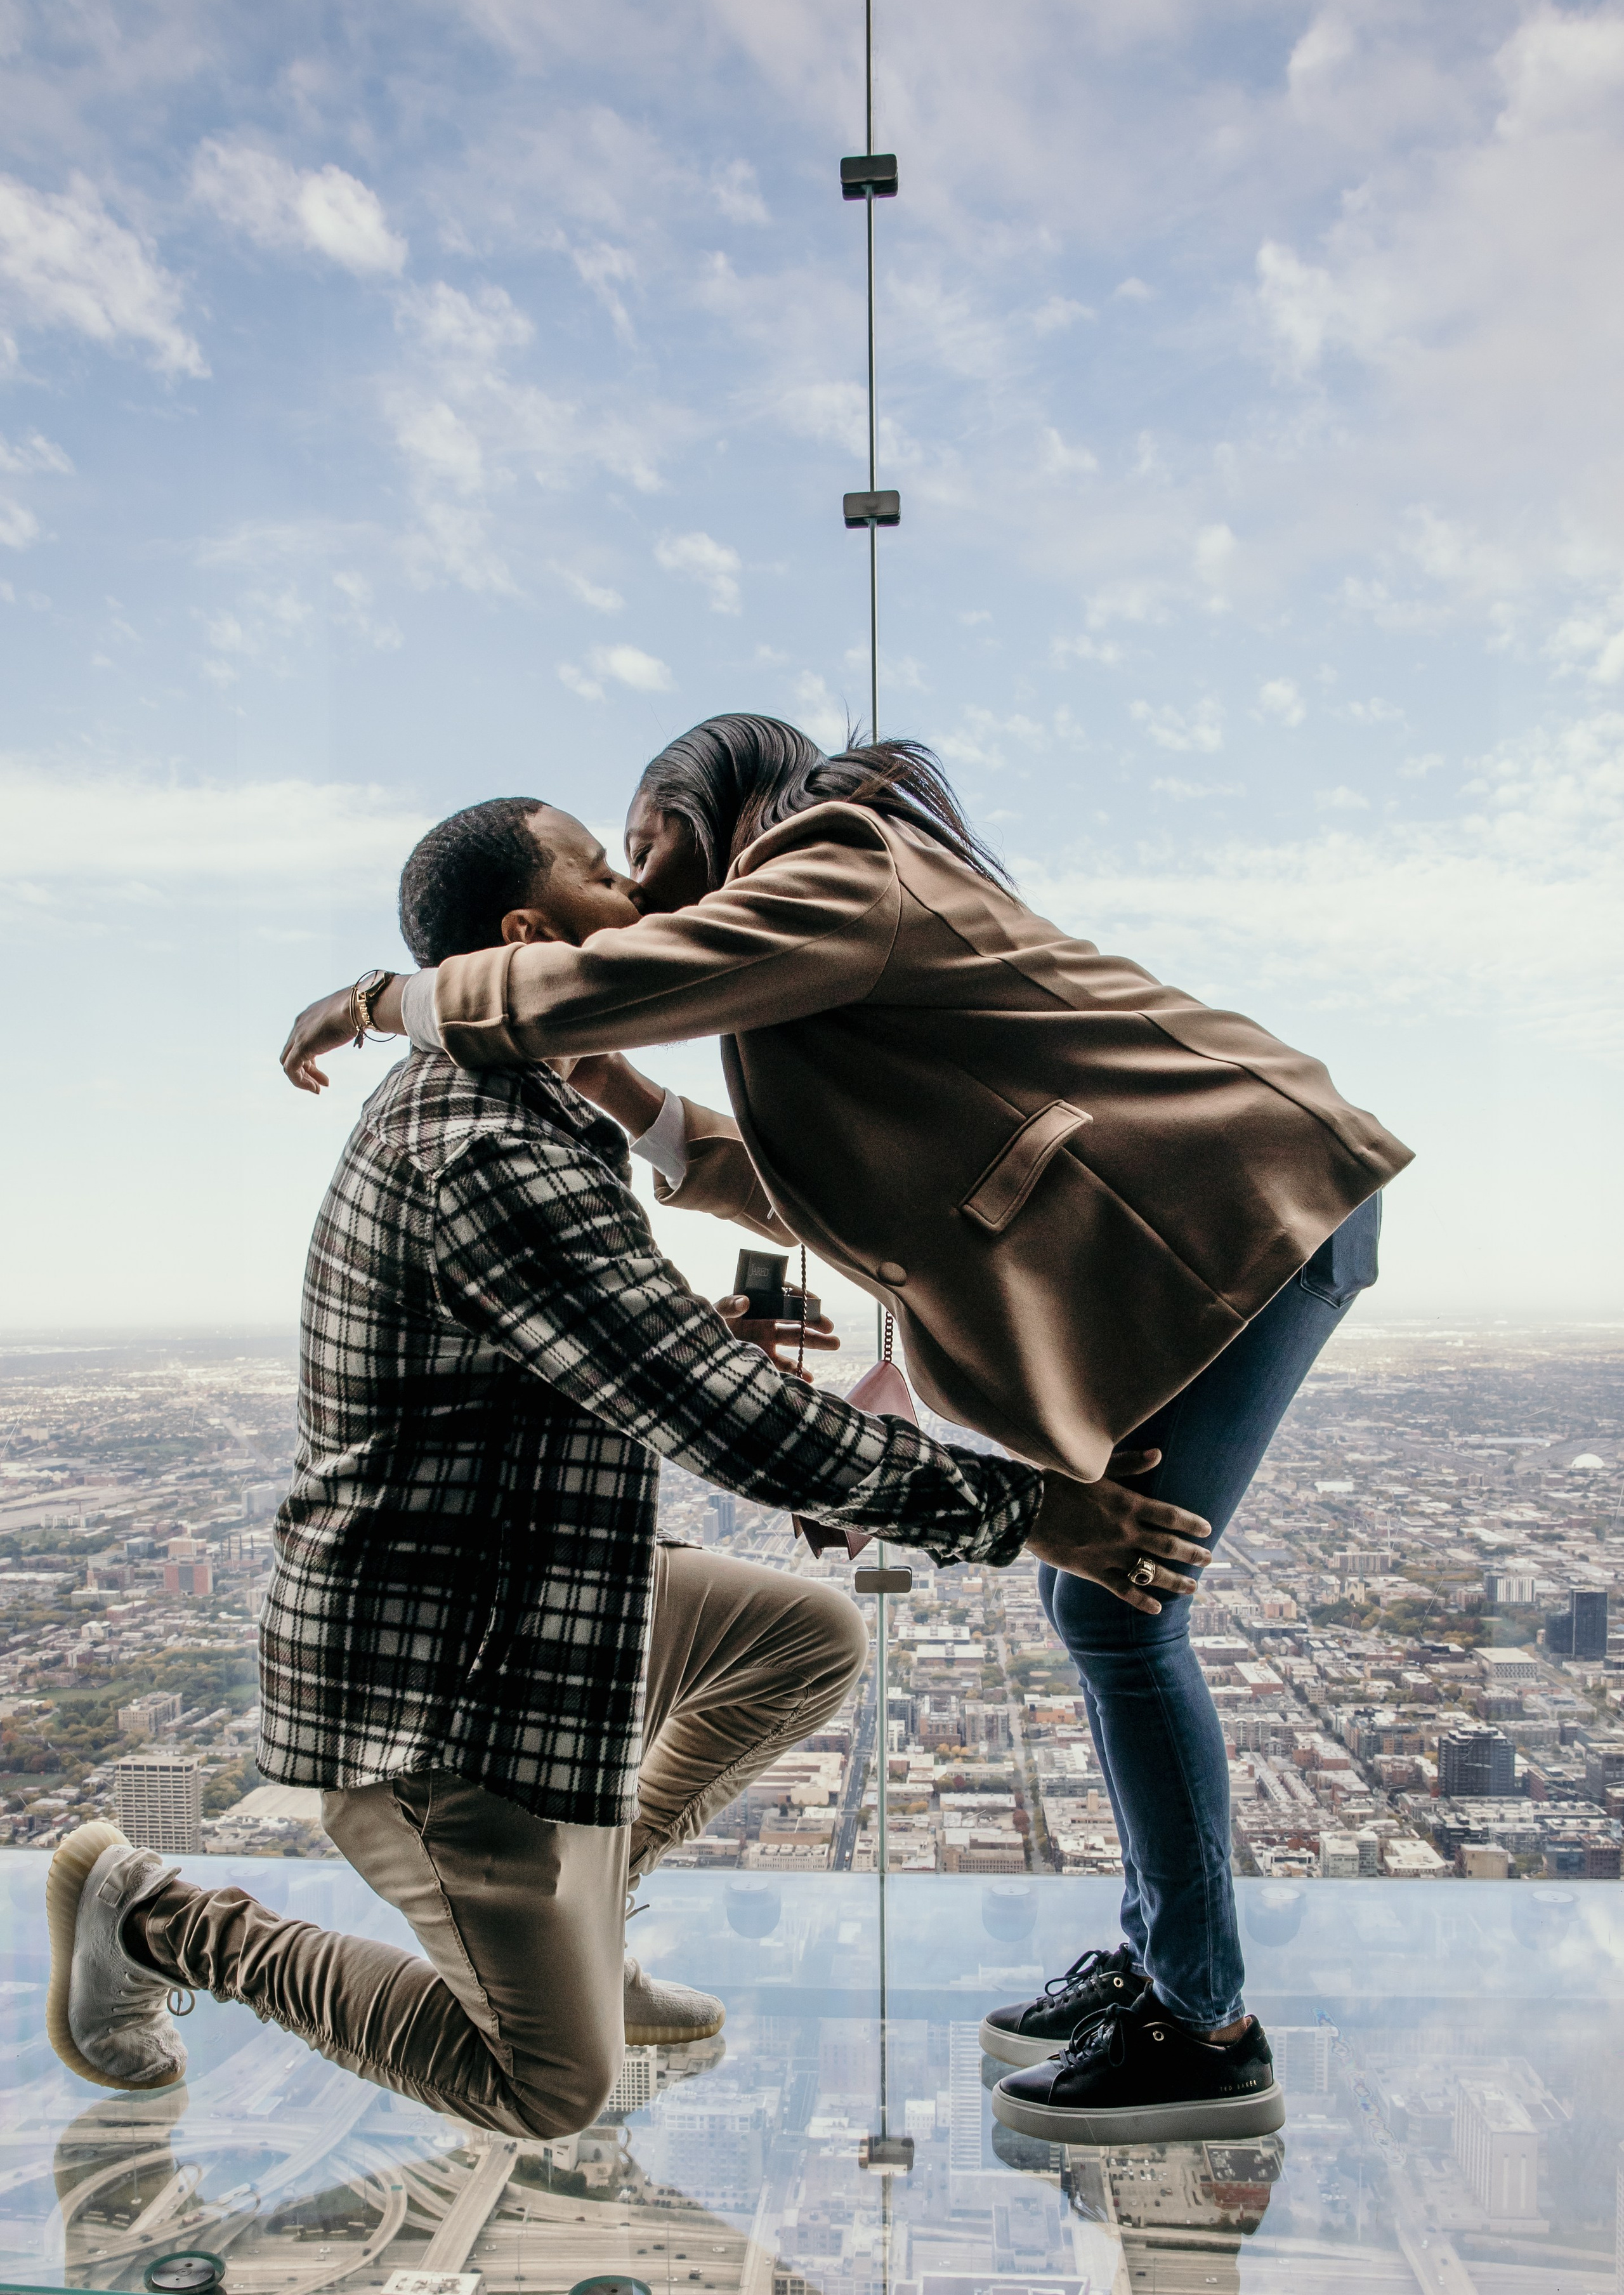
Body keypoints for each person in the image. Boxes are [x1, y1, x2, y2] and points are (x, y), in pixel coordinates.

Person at [280, 725, 1411, 2141]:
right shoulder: (735, 1006)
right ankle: (1165, 1970)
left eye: (642, 846)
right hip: (1200, 1236)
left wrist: (388, 997)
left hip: (1246, 1212)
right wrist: (627, 1095)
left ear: (714, 806)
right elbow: (813, 1194)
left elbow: (608, 981)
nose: (640, 887)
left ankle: (1200, 2024)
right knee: (1096, 1607)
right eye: (612, 867)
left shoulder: (837, 867)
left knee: (1118, 1612)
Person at [48, 794, 1214, 2141]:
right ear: (532, 934)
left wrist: (696, 1341)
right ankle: (157, 1918)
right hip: (430, 1687)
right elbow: (733, 1426)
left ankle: (580, 1935)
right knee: (550, 2088)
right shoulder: (485, 1145)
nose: (653, 908)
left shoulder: (524, 1104)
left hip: (520, 1595)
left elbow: (567, 1359)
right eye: (611, 878)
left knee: (804, 1640)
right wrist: (1029, 1514)